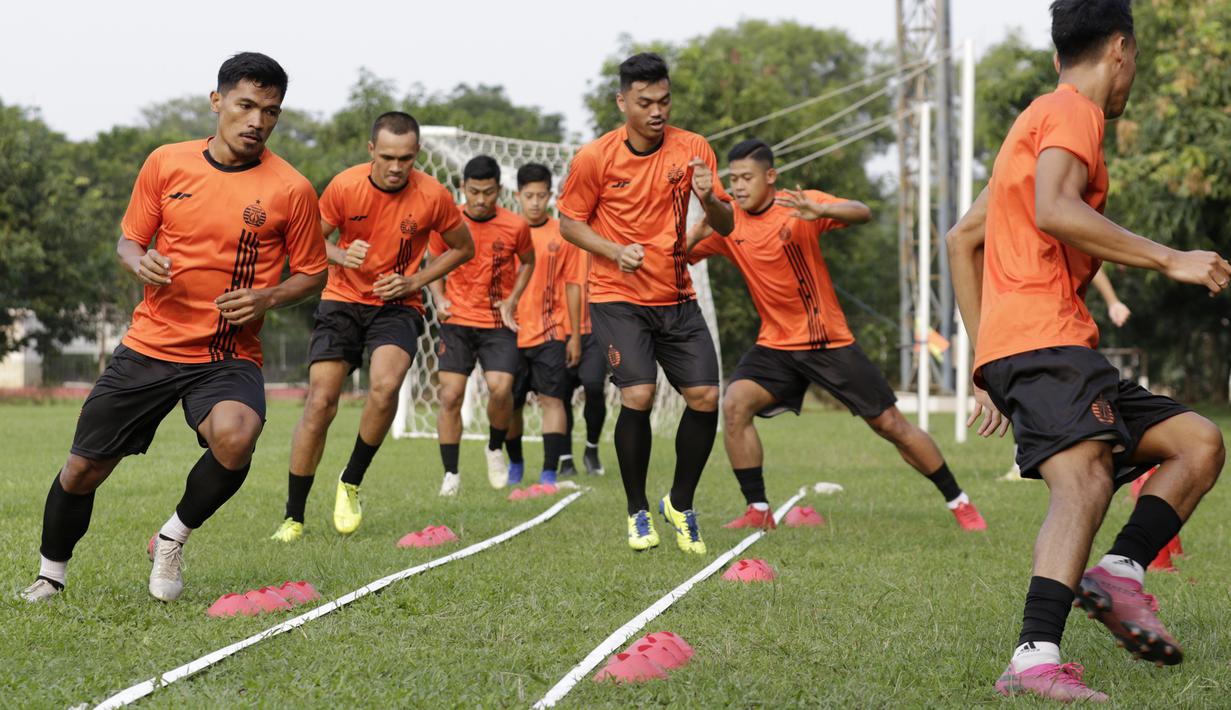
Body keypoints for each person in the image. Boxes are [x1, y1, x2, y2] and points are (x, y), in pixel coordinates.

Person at [948, 0, 1228, 700]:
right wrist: (1169, 258)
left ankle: (1120, 573)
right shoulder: (1074, 110)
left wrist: (984, 360)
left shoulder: (1035, 121)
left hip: (1045, 342)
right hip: (1044, 339)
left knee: (1196, 444)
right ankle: (1033, 659)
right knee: (1085, 482)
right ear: (1121, 49)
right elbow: (1054, 209)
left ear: (1056, 54)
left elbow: (961, 239)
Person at [21, 53, 328, 603]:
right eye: (246, 105)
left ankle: (171, 538)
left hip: (226, 353)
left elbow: (313, 272)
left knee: (237, 436)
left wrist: (267, 296)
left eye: (270, 111)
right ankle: (50, 575)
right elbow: (129, 240)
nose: (257, 121)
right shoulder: (166, 162)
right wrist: (137, 261)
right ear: (217, 101)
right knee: (82, 470)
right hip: (150, 344)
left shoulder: (292, 189)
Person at [687, 139, 986, 532]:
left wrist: (823, 210)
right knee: (734, 405)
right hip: (775, 346)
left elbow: (862, 211)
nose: (739, 186)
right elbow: (680, 255)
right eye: (735, 179)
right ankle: (758, 510)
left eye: (748, 177)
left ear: (770, 176)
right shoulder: (729, 223)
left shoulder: (798, 204)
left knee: (890, 425)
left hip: (827, 343)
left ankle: (959, 502)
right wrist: (698, 226)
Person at [558, 52, 734, 553]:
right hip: (617, 297)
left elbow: (726, 226)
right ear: (622, 102)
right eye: (645, 102)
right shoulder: (594, 158)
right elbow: (568, 223)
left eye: (664, 100)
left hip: (676, 295)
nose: (657, 111)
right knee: (638, 395)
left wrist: (711, 199)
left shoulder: (694, 149)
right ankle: (637, 511)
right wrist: (614, 252)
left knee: (706, 398)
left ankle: (679, 503)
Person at [270, 111, 474, 542]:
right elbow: (306, 241)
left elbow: (462, 247)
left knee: (385, 387)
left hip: (397, 305)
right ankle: (293, 516)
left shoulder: (433, 195)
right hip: (342, 300)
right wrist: (342, 255)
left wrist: (415, 281)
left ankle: (350, 481)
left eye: (406, 158)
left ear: (416, 153)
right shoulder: (345, 186)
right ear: (371, 151)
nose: (396, 167)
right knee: (321, 402)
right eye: (387, 157)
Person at [427, 156, 534, 496]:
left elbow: (528, 262)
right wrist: (439, 298)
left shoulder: (515, 226)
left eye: (488, 192)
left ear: (498, 190)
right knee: (450, 396)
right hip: (457, 320)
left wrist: (513, 299)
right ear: (463, 188)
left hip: (497, 321)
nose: (481, 199)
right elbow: (433, 262)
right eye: (474, 191)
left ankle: (494, 448)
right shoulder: (449, 223)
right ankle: (450, 474)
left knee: (501, 389)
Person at [1001, 268, 1131, 482]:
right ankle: (1027, 458)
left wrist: (1113, 302)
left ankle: (1105, 450)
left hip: (1065, 337)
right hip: (1030, 336)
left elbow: (1094, 262)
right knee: (1030, 399)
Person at [504, 163, 578, 485]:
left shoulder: (562, 234)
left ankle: (549, 473)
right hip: (510, 332)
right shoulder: (506, 231)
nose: (535, 202)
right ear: (517, 195)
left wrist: (574, 336)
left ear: (550, 196)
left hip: (551, 332)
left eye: (541, 196)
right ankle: (516, 464)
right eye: (529, 196)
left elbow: (572, 284)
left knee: (553, 400)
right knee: (510, 404)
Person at [560, 221, 608, 477]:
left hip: (596, 330)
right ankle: (565, 458)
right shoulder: (558, 234)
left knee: (594, 387)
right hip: (559, 329)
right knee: (560, 394)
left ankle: (591, 449)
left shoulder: (604, 232)